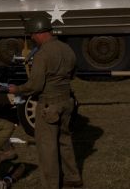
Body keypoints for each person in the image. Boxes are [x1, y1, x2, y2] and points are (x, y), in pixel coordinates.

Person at [8, 12, 82, 189]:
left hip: (48, 105)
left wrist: (16, 89)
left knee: (46, 148)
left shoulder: (42, 55)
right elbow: (73, 74)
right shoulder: (67, 48)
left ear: (39, 32)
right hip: (66, 101)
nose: (32, 38)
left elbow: (35, 85)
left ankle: (51, 185)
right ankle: (72, 177)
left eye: (32, 35)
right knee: (64, 140)